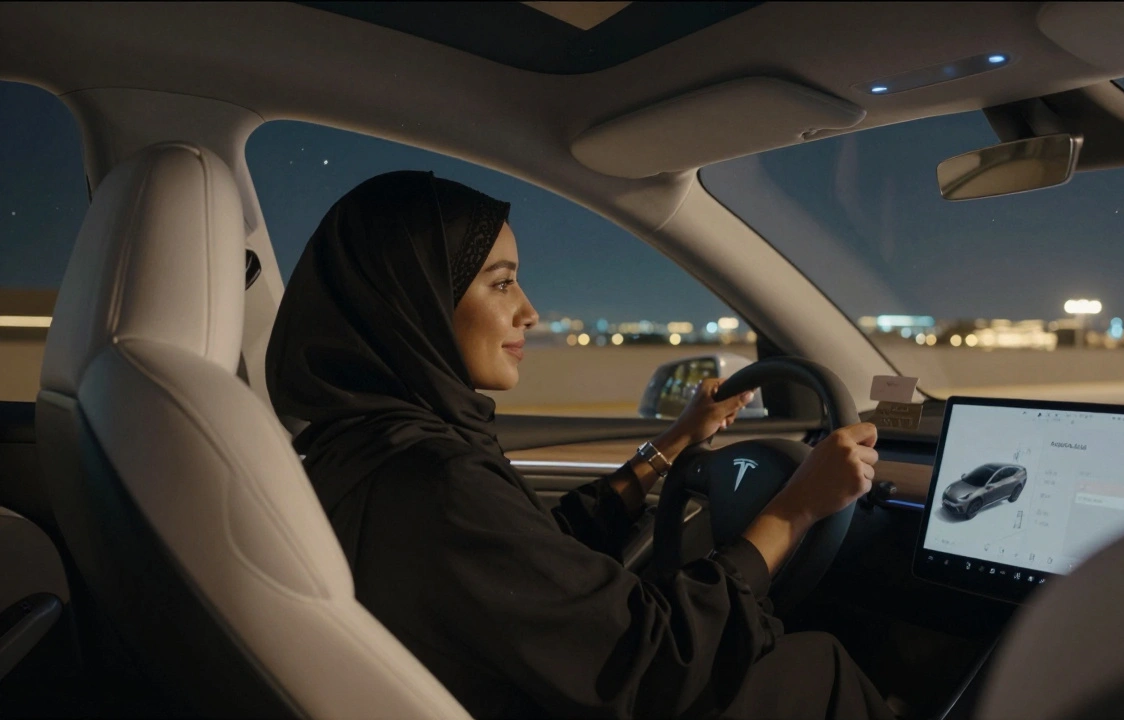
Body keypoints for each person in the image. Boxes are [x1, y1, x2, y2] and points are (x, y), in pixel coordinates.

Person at [265, 170, 893, 720]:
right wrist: (795, 509)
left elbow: (534, 548)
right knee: (817, 669)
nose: (530, 312)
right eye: (501, 283)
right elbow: (656, 663)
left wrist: (674, 442)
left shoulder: (364, 448)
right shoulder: (435, 479)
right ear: (415, 302)